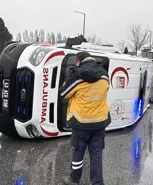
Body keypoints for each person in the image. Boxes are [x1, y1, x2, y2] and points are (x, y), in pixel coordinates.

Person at [61, 52, 111, 185]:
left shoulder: (77, 76)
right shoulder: (104, 74)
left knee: (78, 152)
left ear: (78, 61)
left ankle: (74, 179)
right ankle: (97, 183)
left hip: (81, 121)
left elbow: (64, 93)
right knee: (96, 155)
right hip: (99, 122)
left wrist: (69, 78)